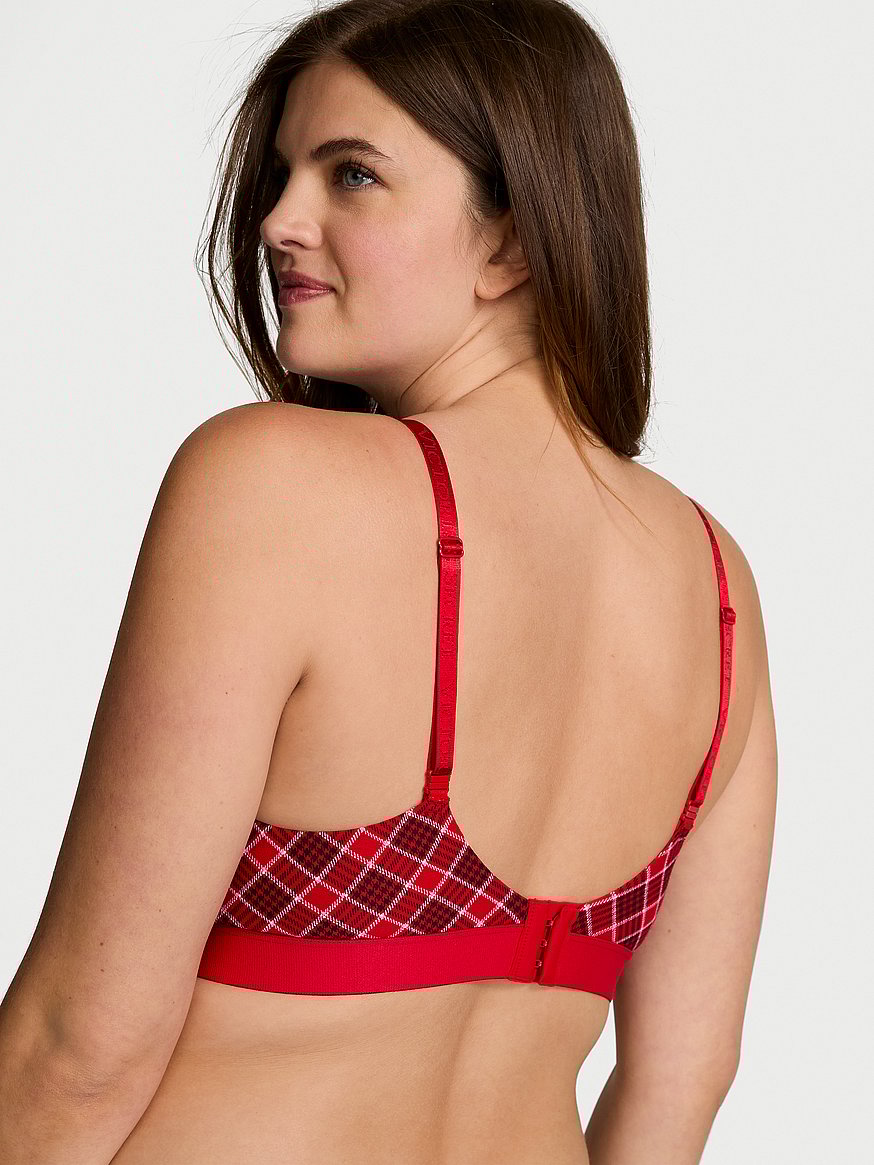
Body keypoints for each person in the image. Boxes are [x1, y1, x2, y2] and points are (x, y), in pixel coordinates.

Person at [0, 2, 777, 1163]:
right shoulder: (716, 587)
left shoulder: (272, 484)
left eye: (351, 174)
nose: (278, 220)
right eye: (282, 173)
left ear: (513, 240)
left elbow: (78, 1051)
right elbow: (681, 1084)